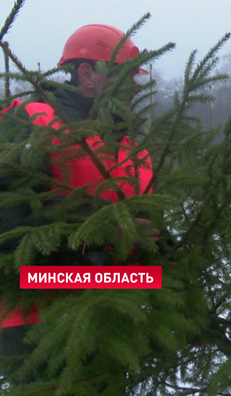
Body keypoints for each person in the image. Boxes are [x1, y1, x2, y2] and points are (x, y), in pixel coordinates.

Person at [0, 24, 158, 381]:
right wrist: (104, 231)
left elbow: (144, 233)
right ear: (86, 74)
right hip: (37, 325)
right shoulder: (30, 122)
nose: (135, 84)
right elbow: (10, 219)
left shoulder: (135, 148)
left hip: (114, 320)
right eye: (125, 75)